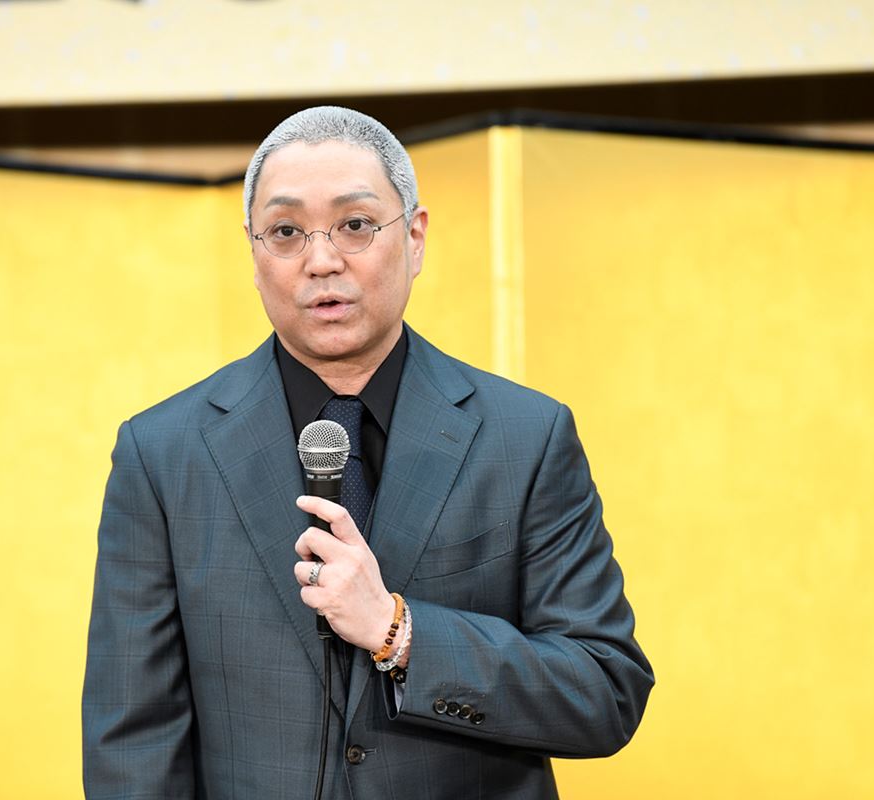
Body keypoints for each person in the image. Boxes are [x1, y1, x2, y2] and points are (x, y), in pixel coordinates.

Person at [82, 106, 653, 799]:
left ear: (414, 237)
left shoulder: (525, 437)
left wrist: (399, 631)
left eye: (355, 225)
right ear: (253, 254)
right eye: (286, 232)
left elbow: (603, 690)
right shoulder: (162, 453)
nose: (322, 261)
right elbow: (133, 743)